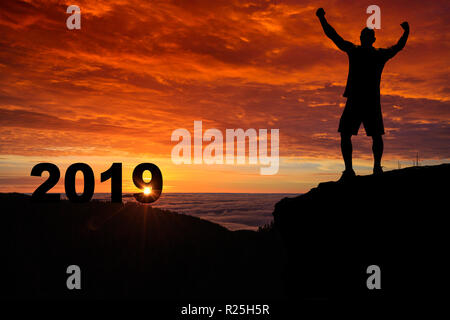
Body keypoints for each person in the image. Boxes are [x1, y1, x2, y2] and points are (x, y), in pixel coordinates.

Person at [316, 8, 409, 180]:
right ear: (366, 39)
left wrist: (406, 33)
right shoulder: (363, 52)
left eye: (367, 37)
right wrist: (322, 19)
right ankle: (355, 170)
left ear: (371, 39)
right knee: (353, 134)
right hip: (361, 100)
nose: (365, 39)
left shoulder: (369, 53)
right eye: (364, 37)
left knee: (371, 135)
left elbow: (398, 47)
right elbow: (333, 35)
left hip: (364, 101)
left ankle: (370, 169)